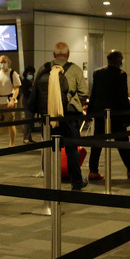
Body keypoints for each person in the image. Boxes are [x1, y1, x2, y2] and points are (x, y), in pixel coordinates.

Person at [87, 51, 130, 180]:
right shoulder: (121, 74)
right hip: (116, 114)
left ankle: (93, 171)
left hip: (100, 113)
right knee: (122, 142)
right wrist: (127, 117)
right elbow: (122, 97)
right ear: (119, 60)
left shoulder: (97, 73)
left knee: (97, 142)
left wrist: (89, 112)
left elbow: (94, 95)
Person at [45, 42, 89, 190]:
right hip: (69, 115)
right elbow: (84, 92)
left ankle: (50, 182)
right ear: (68, 54)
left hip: (50, 115)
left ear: (53, 54)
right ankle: (76, 182)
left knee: (49, 148)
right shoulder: (75, 69)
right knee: (72, 149)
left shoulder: (45, 68)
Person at [0, 55, 22, 150]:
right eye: (1, 62)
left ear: (8, 62)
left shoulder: (13, 73)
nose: (3, 64)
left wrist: (13, 100)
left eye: (4, 62)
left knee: (10, 123)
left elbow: (17, 88)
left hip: (8, 100)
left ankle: (11, 143)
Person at [20, 66, 36, 143]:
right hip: (27, 102)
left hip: (32, 103)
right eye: (29, 73)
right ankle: (26, 137)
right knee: (28, 120)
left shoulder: (32, 82)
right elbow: (26, 93)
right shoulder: (25, 82)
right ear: (26, 73)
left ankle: (29, 137)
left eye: (32, 73)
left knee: (30, 121)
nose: (31, 75)